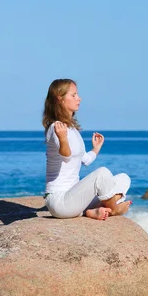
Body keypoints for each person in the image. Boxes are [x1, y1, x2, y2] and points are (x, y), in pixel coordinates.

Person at [42, 78, 132, 220]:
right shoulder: (56, 127)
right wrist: (63, 139)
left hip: (75, 198)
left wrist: (96, 149)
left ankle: (89, 211)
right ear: (59, 98)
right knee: (102, 173)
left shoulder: (72, 129)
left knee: (123, 178)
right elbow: (65, 156)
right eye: (74, 95)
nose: (79, 98)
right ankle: (113, 209)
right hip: (59, 201)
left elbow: (84, 159)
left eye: (77, 94)